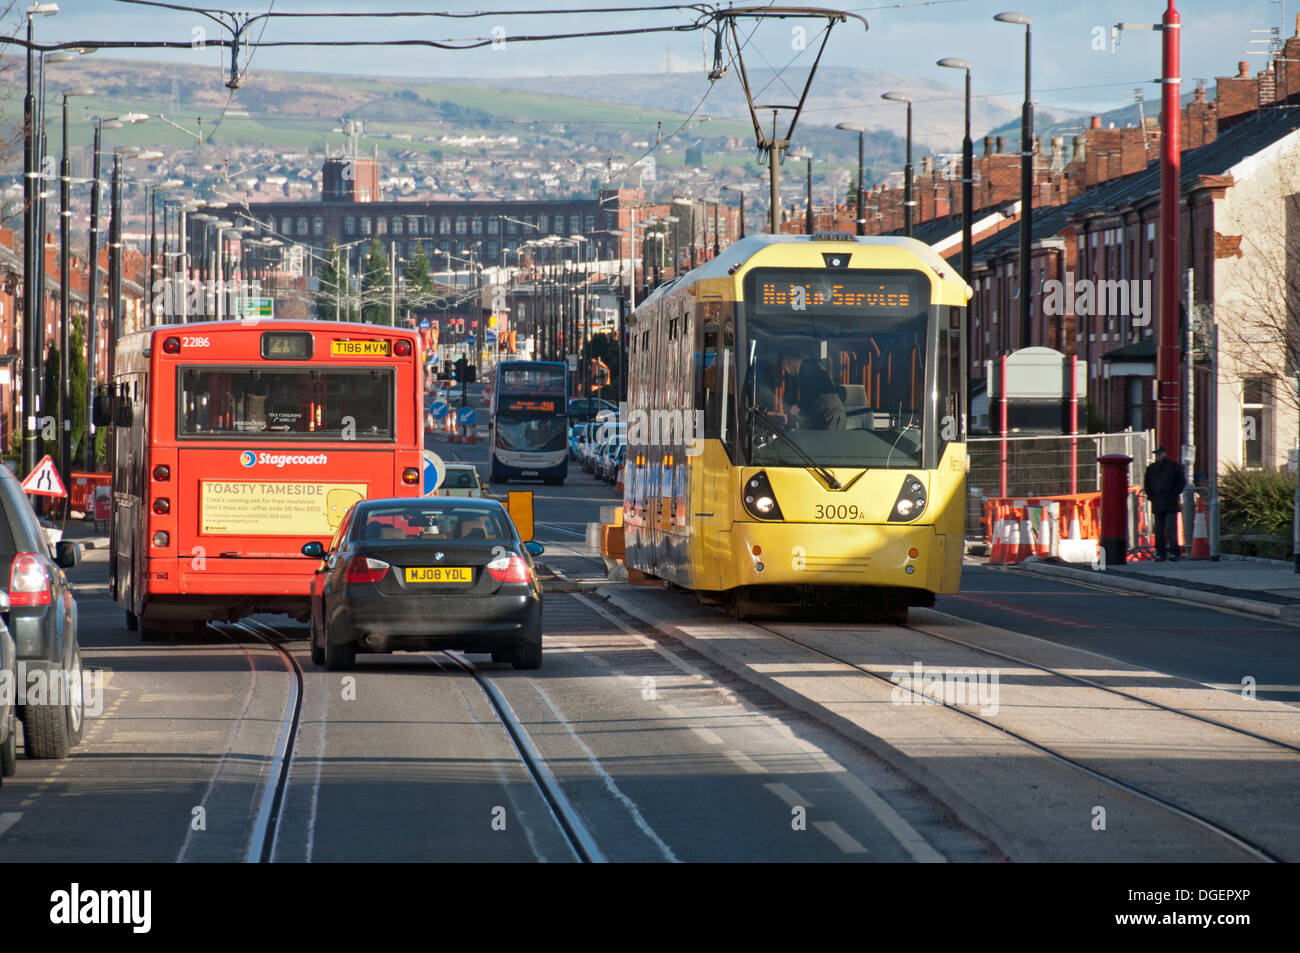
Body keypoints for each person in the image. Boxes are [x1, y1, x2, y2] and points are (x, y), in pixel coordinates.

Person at [1143, 446, 1186, 561]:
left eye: (1159, 453)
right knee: (1158, 530)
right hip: (1158, 503)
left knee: (1171, 529)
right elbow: (1147, 484)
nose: (1157, 455)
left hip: (1170, 503)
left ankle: (1174, 553)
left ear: (1164, 454)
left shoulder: (1173, 466)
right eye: (1156, 453)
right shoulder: (1151, 468)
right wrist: (1151, 496)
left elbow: (1181, 481)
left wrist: (1174, 494)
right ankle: (1160, 553)